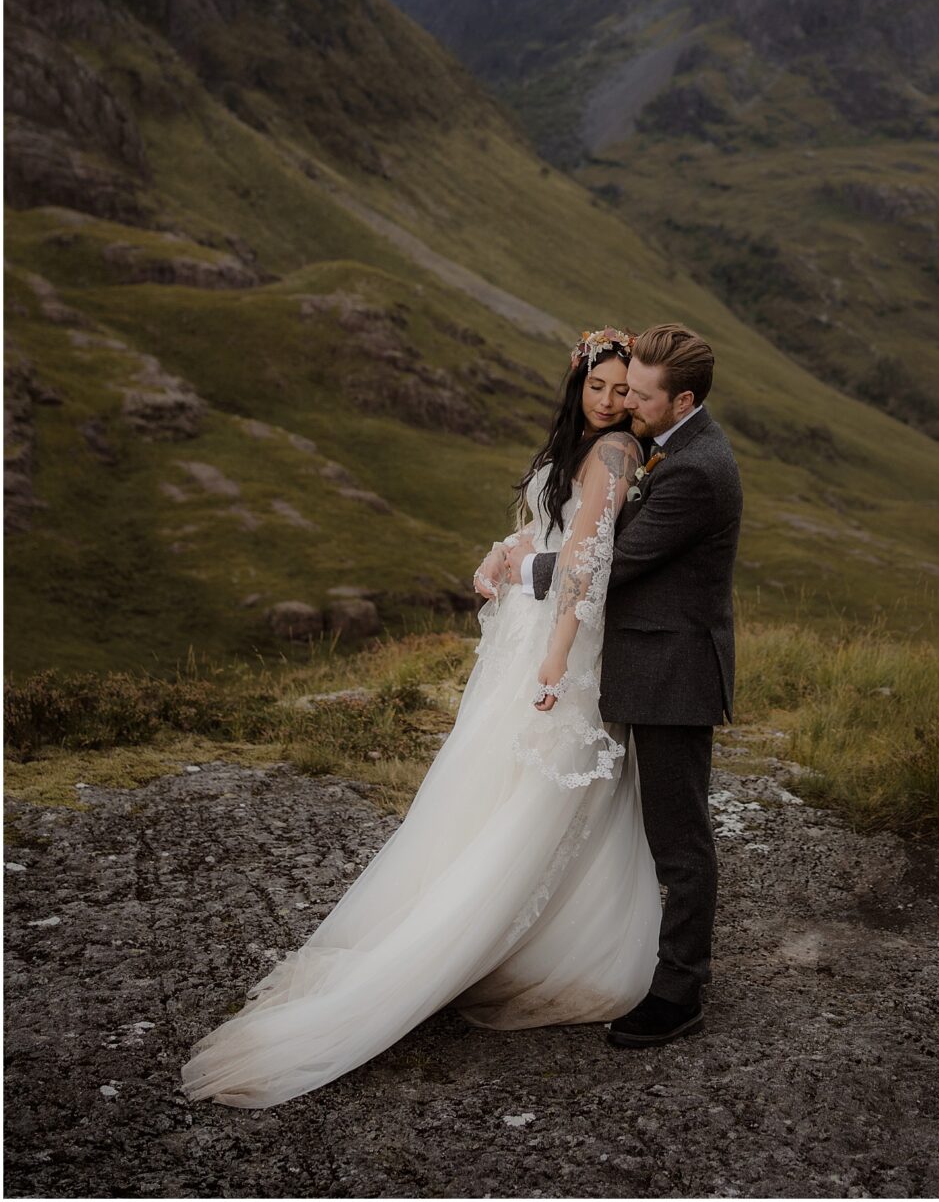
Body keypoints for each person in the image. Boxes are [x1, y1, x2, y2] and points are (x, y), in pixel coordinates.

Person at [180, 326, 661, 1109]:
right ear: (577, 382)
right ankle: (466, 927)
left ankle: (509, 938)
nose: (609, 402)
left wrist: (556, 657)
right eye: (597, 386)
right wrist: (501, 551)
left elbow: (588, 561)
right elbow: (549, 529)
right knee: (487, 782)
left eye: (622, 391)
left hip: (562, 642)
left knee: (542, 795)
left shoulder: (614, 454)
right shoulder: (577, 445)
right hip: (528, 630)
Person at [488, 322, 742, 1048]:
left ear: (681, 397)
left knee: (679, 836)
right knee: (632, 820)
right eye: (617, 387)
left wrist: (523, 570)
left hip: (672, 670)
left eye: (640, 392)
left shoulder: (696, 469)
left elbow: (612, 561)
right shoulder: (676, 441)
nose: (626, 398)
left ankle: (680, 989)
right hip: (644, 657)